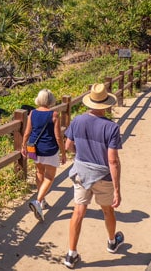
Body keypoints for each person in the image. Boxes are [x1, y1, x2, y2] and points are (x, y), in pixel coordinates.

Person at [63, 83, 123, 269]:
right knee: (107, 210)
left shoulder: (77, 121)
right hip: (102, 176)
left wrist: (80, 153)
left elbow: (67, 146)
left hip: (81, 172)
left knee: (78, 211)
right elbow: (112, 161)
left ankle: (71, 254)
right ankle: (112, 242)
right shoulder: (111, 128)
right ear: (106, 105)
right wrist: (117, 189)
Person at [22, 89, 66, 222]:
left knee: (39, 172)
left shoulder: (32, 113)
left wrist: (23, 146)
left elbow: (27, 132)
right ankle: (38, 201)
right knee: (50, 177)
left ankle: (42, 201)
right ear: (51, 100)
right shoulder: (54, 114)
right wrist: (63, 152)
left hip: (34, 148)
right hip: (49, 148)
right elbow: (58, 136)